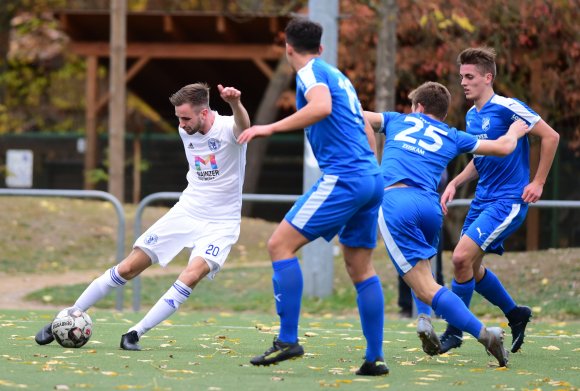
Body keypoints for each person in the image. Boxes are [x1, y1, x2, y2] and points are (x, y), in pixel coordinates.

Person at [35, 82, 251, 350]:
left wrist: (235, 103)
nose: (181, 125)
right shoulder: (186, 130)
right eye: (178, 118)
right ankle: (65, 317)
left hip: (222, 222)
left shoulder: (228, 128)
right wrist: (186, 120)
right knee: (128, 267)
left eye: (186, 118)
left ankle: (135, 333)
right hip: (187, 210)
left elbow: (243, 127)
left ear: (205, 113)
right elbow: (189, 128)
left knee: (191, 275)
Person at [237, 17, 387, 376]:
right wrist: (370, 170)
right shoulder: (339, 76)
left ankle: (287, 340)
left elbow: (321, 108)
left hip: (346, 178)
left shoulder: (308, 73)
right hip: (370, 176)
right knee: (360, 267)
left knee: (279, 245)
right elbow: (365, 126)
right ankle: (374, 358)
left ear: (288, 47)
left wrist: (268, 127)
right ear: (320, 47)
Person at [364, 81, 530, 367]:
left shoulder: (397, 119)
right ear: (441, 113)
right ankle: (425, 318)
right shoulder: (451, 134)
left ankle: (483, 334)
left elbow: (361, 117)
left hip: (396, 202)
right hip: (430, 206)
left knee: (426, 286)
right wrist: (514, 130)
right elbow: (504, 148)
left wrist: (372, 164)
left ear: (418, 106)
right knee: (426, 276)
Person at [438, 47, 560, 354]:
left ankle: (454, 332)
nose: (463, 82)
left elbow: (551, 136)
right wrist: (455, 181)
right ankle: (515, 314)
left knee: (460, 259)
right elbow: (482, 160)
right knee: (471, 269)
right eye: (461, 76)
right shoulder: (471, 114)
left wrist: (538, 182)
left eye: (470, 77)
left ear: (487, 77)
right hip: (482, 199)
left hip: (507, 201)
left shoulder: (508, 107)